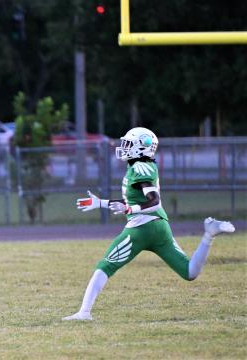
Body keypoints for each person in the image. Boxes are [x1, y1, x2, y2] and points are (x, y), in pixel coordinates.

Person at [63, 127, 235, 321]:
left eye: (128, 144)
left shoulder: (140, 168)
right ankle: (209, 235)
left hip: (141, 228)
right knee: (189, 272)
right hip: (158, 226)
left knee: (105, 266)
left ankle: (84, 312)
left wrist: (130, 210)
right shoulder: (139, 166)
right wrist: (101, 203)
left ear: (141, 147)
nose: (123, 147)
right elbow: (133, 203)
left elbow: (153, 200)